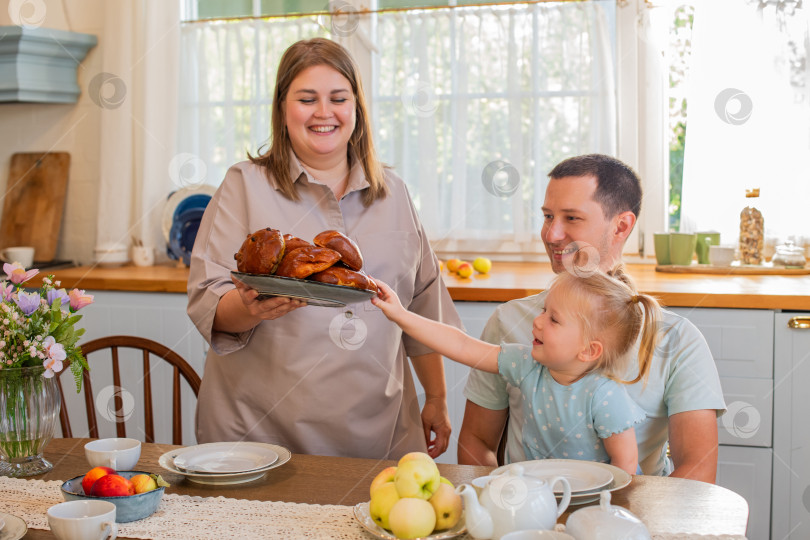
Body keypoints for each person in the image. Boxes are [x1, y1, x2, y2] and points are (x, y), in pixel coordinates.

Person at [187, 38, 462, 460]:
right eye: (306, 99)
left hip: (379, 434)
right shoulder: (243, 184)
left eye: (338, 98)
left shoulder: (395, 193)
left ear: (357, 108)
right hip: (259, 433)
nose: (323, 112)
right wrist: (250, 308)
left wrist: (438, 397)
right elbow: (207, 299)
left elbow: (423, 304)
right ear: (282, 108)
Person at [459, 154, 726, 483]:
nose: (551, 233)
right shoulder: (508, 320)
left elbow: (697, 470)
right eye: (547, 216)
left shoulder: (677, 339)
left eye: (571, 218)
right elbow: (477, 442)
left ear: (621, 226)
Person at [373, 266, 662, 475]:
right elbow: (462, 346)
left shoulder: (605, 396)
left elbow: (625, 466)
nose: (537, 322)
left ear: (588, 350)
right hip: (530, 496)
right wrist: (401, 315)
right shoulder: (525, 364)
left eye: (554, 320)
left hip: (590, 505)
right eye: (543, 311)